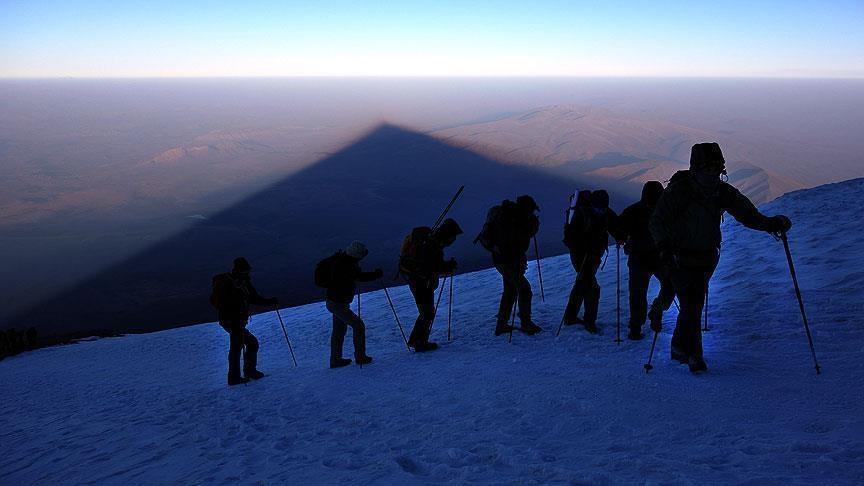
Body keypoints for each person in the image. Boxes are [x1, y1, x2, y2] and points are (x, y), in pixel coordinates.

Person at [650, 142, 791, 373]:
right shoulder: (680, 192)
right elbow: (657, 221)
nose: (713, 173)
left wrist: (771, 224)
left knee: (691, 304)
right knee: (692, 303)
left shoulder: (721, 192)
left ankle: (678, 347)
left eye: (717, 168)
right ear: (696, 169)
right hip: (680, 257)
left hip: (705, 258)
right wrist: (664, 248)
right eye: (709, 168)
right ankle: (695, 355)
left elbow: (748, 214)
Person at [615, 181, 676, 340]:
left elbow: (619, 228)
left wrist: (623, 239)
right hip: (660, 258)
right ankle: (658, 307)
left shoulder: (633, 210)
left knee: (637, 293)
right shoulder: (666, 212)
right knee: (670, 284)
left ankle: (635, 327)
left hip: (638, 258)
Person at [476, 195, 542, 335]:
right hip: (508, 260)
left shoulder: (510, 216)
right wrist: (533, 225)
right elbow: (519, 239)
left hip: (502, 259)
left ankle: (502, 325)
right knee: (524, 289)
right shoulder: (515, 219)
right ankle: (525, 323)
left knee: (510, 290)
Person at [211, 257, 278, 386]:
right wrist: (269, 301)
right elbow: (249, 299)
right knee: (241, 346)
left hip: (232, 320)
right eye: (245, 270)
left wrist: (269, 301)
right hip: (233, 320)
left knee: (244, 345)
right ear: (239, 270)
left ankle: (243, 374)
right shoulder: (233, 284)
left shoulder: (242, 282)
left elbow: (253, 297)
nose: (247, 273)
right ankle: (238, 376)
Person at [399, 219, 463, 352]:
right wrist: (448, 266)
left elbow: (431, 264)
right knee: (427, 313)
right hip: (421, 282)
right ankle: (418, 342)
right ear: (447, 235)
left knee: (426, 312)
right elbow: (431, 266)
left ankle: (417, 340)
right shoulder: (432, 246)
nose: (453, 240)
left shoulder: (430, 243)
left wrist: (445, 265)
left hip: (417, 281)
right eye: (453, 237)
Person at [562, 190, 618, 333]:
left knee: (582, 283)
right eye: (599, 208)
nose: (601, 210)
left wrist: (621, 236)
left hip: (593, 255)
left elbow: (615, 227)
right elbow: (570, 238)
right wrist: (586, 244)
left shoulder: (604, 212)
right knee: (592, 287)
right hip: (581, 255)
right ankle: (589, 322)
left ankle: (570, 316)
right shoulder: (582, 214)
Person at [322, 241, 382, 368]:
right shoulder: (345, 264)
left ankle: (335, 360)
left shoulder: (342, 261)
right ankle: (360, 357)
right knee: (358, 326)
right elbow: (358, 276)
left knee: (339, 331)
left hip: (335, 301)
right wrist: (375, 275)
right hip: (338, 303)